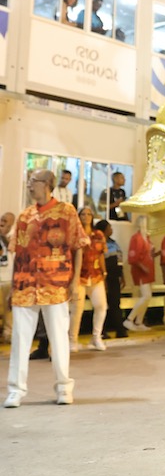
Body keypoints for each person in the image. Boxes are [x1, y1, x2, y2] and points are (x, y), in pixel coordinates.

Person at [4, 168, 89, 407]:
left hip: (56, 284)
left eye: (33, 181)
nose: (29, 185)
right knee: (20, 339)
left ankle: (63, 388)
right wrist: (12, 286)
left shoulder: (66, 212)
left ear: (46, 184)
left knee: (59, 338)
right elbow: (18, 254)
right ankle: (16, 390)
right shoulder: (25, 216)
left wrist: (75, 281)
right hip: (24, 285)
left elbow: (78, 246)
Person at [69, 207, 108, 352]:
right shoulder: (74, 234)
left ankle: (96, 336)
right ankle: (72, 340)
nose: (86, 216)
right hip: (79, 276)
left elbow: (101, 254)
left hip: (96, 275)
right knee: (77, 309)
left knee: (101, 305)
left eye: (89, 214)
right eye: (83, 214)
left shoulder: (98, 234)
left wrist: (104, 272)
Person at [125, 215, 157, 330]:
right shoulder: (136, 238)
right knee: (146, 296)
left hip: (148, 270)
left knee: (147, 297)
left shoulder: (147, 238)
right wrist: (143, 267)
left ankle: (139, 321)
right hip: (141, 271)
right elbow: (133, 258)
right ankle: (129, 319)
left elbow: (148, 254)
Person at [96, 220, 126, 339]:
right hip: (105, 278)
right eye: (109, 227)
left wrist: (122, 276)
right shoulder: (99, 243)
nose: (111, 229)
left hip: (115, 277)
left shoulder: (114, 243)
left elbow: (119, 260)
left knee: (115, 304)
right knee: (102, 305)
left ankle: (120, 330)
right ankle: (102, 331)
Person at [0, 210, 15, 342]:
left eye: (5, 221)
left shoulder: (13, 236)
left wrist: (3, 236)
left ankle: (8, 333)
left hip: (9, 278)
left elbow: (11, 248)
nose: (2, 223)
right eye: (1, 219)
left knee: (8, 309)